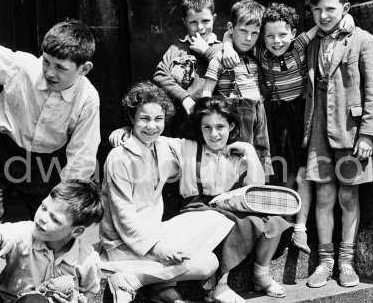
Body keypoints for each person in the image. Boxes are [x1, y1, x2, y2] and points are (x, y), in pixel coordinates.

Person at [110, 97, 294, 300]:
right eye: (207, 127)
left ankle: (261, 274)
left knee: (275, 222)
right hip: (198, 208)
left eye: (220, 127)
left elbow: (256, 188)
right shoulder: (186, 147)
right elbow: (152, 136)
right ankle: (218, 285)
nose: (214, 134)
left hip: (231, 206)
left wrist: (250, 151)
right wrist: (127, 130)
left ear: (231, 126)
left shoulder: (238, 153)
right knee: (228, 223)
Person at [220, 3, 354, 254]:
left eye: (282, 35)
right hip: (276, 112)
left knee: (305, 167)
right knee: (283, 167)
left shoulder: (300, 44)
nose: (276, 41)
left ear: (293, 33)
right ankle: (284, 222)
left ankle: (300, 228)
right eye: (269, 35)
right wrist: (227, 43)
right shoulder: (260, 52)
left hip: (305, 112)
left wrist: (346, 18)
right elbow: (231, 33)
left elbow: (322, 26)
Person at [0, 19, 100, 224]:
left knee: (50, 228)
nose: (50, 72)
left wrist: (66, 197)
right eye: (46, 61)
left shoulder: (88, 99)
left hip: (44, 166)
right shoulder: (23, 66)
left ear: (84, 69)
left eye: (60, 67)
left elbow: (82, 155)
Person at [100, 82, 234, 303]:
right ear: (132, 118)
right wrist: (157, 248)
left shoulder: (161, 146)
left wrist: (247, 149)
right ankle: (132, 281)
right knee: (202, 263)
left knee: (210, 257)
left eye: (158, 119)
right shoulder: (119, 157)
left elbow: (208, 144)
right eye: (144, 119)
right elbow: (124, 216)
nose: (152, 126)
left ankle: (147, 282)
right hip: (125, 242)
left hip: (155, 232)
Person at [302, 0, 373, 288]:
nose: (324, 15)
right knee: (324, 195)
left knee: (349, 195)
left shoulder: (362, 39)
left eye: (331, 9)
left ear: (346, 7)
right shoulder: (310, 42)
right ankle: (325, 261)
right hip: (318, 129)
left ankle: (346, 263)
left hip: (351, 132)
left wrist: (368, 135)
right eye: (317, 10)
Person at [201, 0, 272, 175]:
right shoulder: (221, 58)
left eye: (255, 33)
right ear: (231, 28)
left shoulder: (256, 55)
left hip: (258, 113)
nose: (249, 38)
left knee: (261, 154)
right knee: (238, 159)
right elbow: (206, 92)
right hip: (236, 115)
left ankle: (260, 189)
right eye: (243, 31)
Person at [152, 0, 223, 137]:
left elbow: (229, 72)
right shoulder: (177, 49)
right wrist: (184, 97)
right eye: (193, 22)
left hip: (214, 125)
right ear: (184, 21)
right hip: (182, 121)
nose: (200, 27)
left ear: (214, 18)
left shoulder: (222, 48)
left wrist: (206, 51)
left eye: (205, 21)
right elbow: (160, 75)